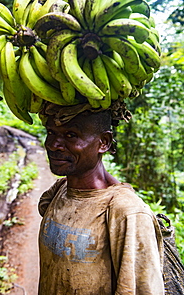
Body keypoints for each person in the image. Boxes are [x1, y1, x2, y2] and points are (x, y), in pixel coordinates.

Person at [37, 101, 165, 295]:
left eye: (71, 135)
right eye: (51, 132)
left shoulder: (126, 212)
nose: (53, 145)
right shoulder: (59, 191)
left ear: (103, 142)